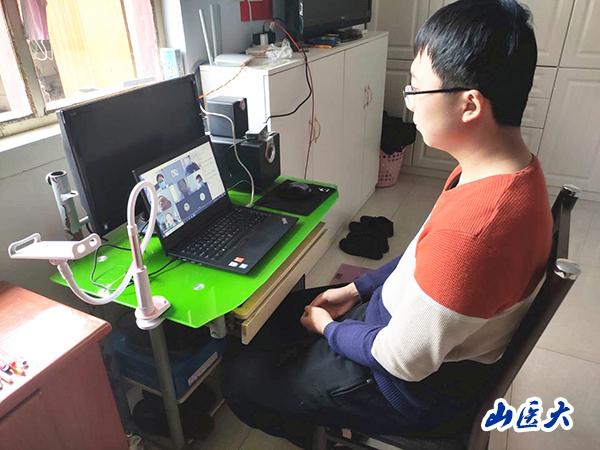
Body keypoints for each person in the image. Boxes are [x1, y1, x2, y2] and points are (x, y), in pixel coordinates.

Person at [221, 0, 553, 447]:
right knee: (264, 319)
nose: (409, 103)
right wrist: (356, 289)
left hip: (398, 386)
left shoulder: (475, 233)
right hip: (395, 322)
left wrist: (329, 329)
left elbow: (402, 361)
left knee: (240, 382)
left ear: (470, 104)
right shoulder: (503, 172)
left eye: (417, 89)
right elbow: (420, 255)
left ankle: (329, 431)